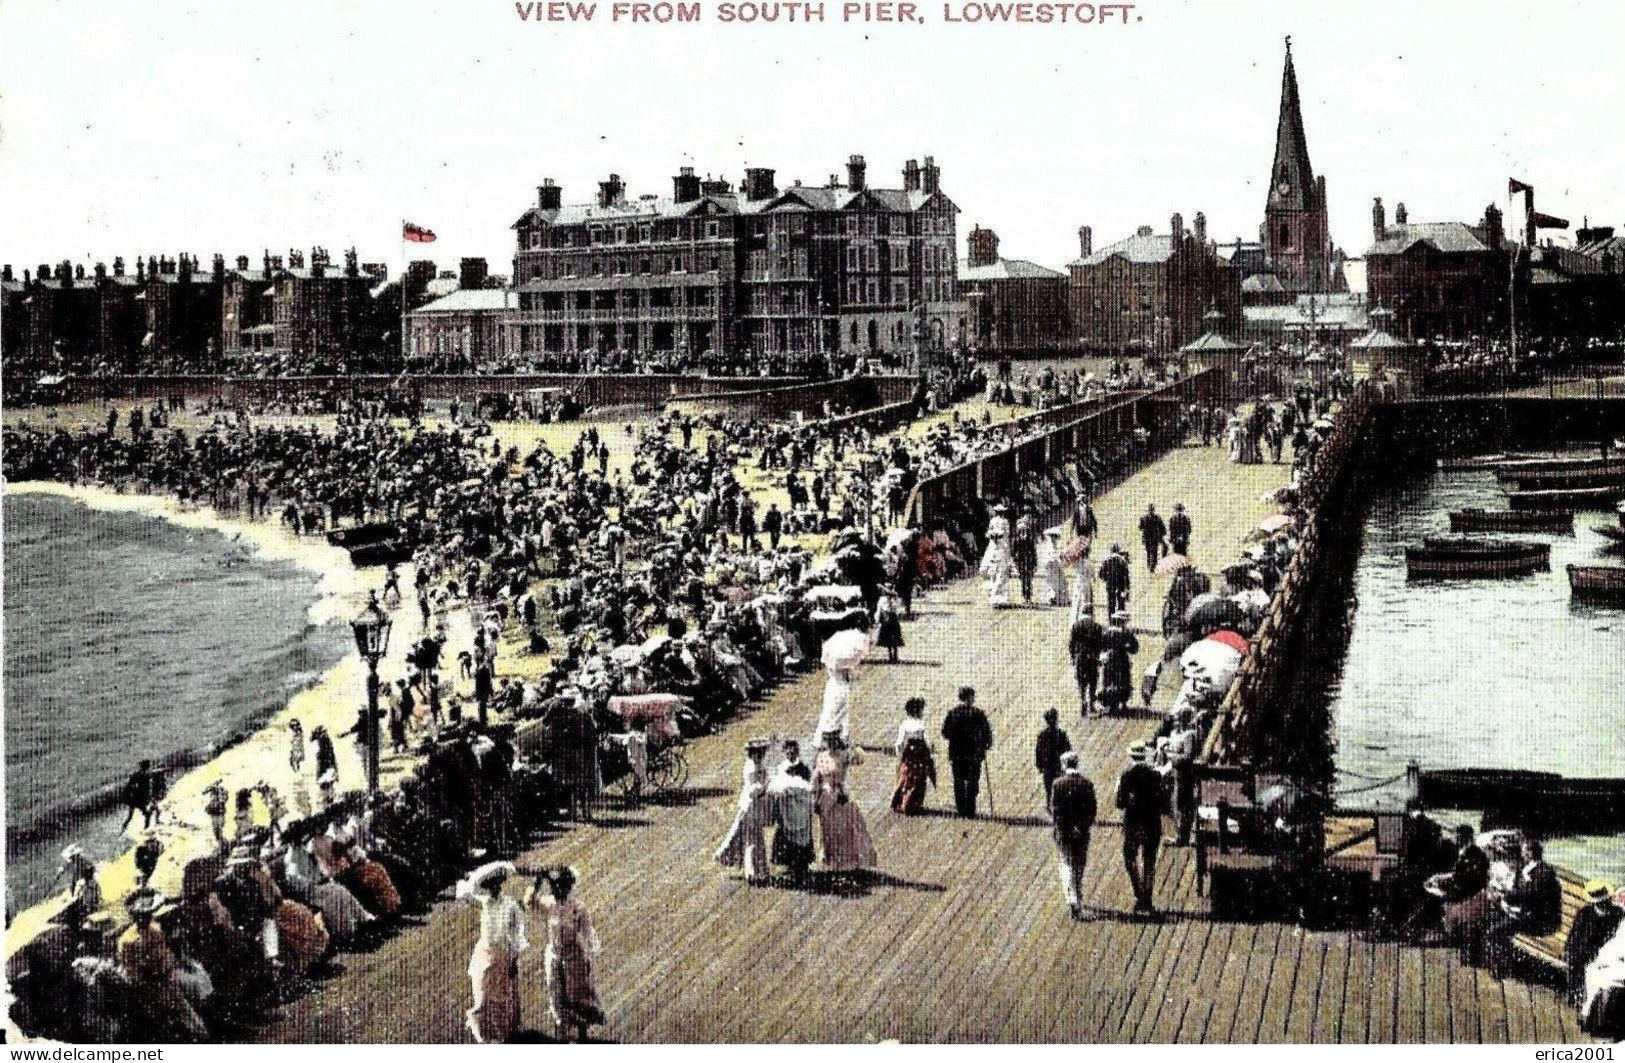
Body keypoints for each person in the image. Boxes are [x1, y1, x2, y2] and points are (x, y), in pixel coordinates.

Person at [525, 866, 605, 1042]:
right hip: (554, 956)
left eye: (562, 886)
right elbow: (529, 901)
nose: (558, 890)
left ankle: (582, 1033)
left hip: (574, 955)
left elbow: (588, 931)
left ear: (568, 887)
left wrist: (593, 950)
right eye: (556, 886)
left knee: (577, 995)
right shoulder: (548, 904)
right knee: (556, 993)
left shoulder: (578, 908)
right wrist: (538, 881)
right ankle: (562, 1032)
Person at [117, 889, 208, 1039]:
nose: (145, 918)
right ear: (135, 916)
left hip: (169, 977)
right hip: (149, 987)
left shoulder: (155, 928)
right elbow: (132, 973)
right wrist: (151, 974)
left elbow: (167, 952)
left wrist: (170, 966)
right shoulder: (127, 941)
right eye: (141, 916)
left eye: (147, 914)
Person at [457, 861, 528, 1044]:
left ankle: (504, 1033)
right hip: (483, 955)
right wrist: (468, 877)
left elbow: (517, 935)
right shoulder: (485, 903)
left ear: (501, 884)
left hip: (502, 957)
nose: (494, 888)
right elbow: (463, 895)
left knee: (501, 998)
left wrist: (513, 960)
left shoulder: (511, 906)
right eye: (490, 885)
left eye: (496, 884)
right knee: (482, 996)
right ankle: (486, 1036)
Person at [1477, 838, 1562, 974]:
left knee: (1495, 932)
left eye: (1523, 851)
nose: (1521, 854)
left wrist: (1504, 896)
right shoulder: (1533, 869)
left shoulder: (1543, 873)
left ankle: (1502, 967)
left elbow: (1529, 895)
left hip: (1540, 920)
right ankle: (1498, 961)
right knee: (1488, 919)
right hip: (1526, 913)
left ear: (1529, 853)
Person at [812, 731, 877, 873]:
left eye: (833, 740)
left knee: (844, 828)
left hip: (840, 795)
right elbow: (816, 778)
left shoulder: (843, 755)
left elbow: (859, 760)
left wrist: (853, 747)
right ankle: (831, 861)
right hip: (825, 798)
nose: (831, 744)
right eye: (828, 741)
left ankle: (847, 861)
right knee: (828, 830)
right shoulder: (821, 756)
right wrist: (815, 799)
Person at [1115, 743, 1165, 917]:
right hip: (1152, 824)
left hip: (1133, 824)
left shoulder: (1126, 775)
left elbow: (1119, 802)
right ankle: (1148, 898)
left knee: (1130, 859)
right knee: (1150, 862)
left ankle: (1139, 894)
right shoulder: (1155, 775)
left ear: (1131, 756)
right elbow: (1163, 801)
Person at [715, 740, 775, 884]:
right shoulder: (750, 768)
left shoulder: (759, 765)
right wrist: (766, 785)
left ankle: (757, 870)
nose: (760, 755)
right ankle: (754, 873)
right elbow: (753, 790)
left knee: (752, 837)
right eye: (757, 752)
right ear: (752, 753)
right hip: (750, 806)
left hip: (756, 806)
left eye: (761, 752)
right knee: (753, 839)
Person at [1050, 752, 1097, 921]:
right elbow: (1092, 811)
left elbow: (1056, 812)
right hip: (1081, 832)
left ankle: (1072, 898)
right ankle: (1077, 891)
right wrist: (1080, 826)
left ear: (1064, 765)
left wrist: (1066, 828)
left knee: (1066, 863)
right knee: (1079, 864)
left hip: (1064, 833)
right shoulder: (1087, 784)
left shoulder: (1057, 785)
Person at [1565, 880, 1623, 1002]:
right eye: (1601, 901)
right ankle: (1576, 994)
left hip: (1604, 951)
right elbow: (1575, 936)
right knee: (1576, 960)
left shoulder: (1618, 913)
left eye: (1605, 900)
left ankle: (1585, 997)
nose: (1604, 903)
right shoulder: (1585, 913)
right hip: (1583, 949)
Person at [941, 686, 993, 818]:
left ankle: (960, 808)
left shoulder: (953, 713)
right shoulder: (978, 713)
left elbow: (945, 733)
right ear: (970, 697)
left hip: (957, 753)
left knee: (958, 780)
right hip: (974, 754)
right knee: (973, 780)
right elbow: (987, 734)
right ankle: (970, 808)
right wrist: (985, 745)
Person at [770, 741, 816, 880]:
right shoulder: (781, 767)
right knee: (785, 832)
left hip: (800, 806)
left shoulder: (803, 768)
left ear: (797, 752)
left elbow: (808, 787)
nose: (790, 753)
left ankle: (802, 865)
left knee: (802, 834)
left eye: (793, 751)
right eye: (788, 751)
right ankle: (789, 863)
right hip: (786, 806)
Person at [890, 697, 936, 814]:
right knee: (919, 780)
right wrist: (931, 750)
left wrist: (898, 753)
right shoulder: (921, 725)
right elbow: (927, 741)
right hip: (919, 756)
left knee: (905, 778)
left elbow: (900, 742)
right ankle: (913, 804)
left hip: (908, 756)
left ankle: (900, 801)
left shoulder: (904, 724)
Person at [1098, 611, 1140, 716]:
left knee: (1108, 681)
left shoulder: (1106, 632)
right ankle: (1123, 703)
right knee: (1123, 681)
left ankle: (1109, 704)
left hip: (1109, 660)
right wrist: (1126, 647)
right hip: (1122, 660)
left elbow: (1101, 647)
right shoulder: (1126, 633)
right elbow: (1134, 649)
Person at [1068, 607, 1104, 718]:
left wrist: (1073, 657)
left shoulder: (1076, 626)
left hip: (1080, 657)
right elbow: (1100, 644)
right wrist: (1098, 656)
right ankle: (1091, 704)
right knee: (1092, 681)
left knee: (1081, 682)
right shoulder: (1097, 627)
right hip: (1092, 658)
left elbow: (1071, 644)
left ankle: (1083, 701)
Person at [1033, 708, 1072, 809]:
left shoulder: (1043, 735)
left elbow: (1038, 752)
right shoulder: (1061, 735)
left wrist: (1039, 765)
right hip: (1058, 765)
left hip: (1049, 766)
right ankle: (1056, 803)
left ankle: (1050, 802)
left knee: (1049, 786)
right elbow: (1068, 750)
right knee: (1058, 785)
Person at [817, 665, 856, 747]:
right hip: (837, 683)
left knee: (837, 709)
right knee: (835, 709)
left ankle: (833, 736)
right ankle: (831, 737)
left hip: (836, 682)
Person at [120, 760, 160, 831]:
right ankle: (146, 828)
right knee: (148, 814)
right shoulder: (147, 775)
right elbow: (155, 773)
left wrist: (126, 796)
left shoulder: (137, 774)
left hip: (135, 797)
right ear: (147, 766)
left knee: (130, 816)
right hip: (141, 798)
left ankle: (123, 828)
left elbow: (129, 785)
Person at [1011, 510, 1039, 603]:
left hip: (1029, 560)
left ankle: (1028, 597)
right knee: (1023, 579)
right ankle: (1025, 595)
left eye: (1024, 529)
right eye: (1021, 529)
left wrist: (1035, 562)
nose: (1023, 531)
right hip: (1020, 561)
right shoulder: (1016, 540)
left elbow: (1033, 551)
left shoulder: (1030, 539)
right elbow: (1013, 551)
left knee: (1029, 579)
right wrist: (1014, 561)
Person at [1037, 529, 1069, 607]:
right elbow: (1048, 559)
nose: (1054, 538)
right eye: (1053, 536)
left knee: (1060, 583)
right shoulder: (1048, 546)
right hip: (1051, 568)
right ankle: (1052, 598)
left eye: (1055, 536)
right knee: (1052, 584)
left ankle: (1060, 599)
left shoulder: (1057, 545)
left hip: (1056, 568)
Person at [1099, 543, 1131, 617]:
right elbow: (1126, 575)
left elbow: (1101, 573)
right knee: (1121, 602)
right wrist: (1127, 588)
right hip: (1121, 585)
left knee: (1111, 601)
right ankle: (1121, 618)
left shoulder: (1107, 560)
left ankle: (1111, 617)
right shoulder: (1122, 561)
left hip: (1110, 584)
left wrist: (1106, 579)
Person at [874, 591, 904, 664]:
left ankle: (895, 656)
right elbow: (879, 610)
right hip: (886, 622)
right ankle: (891, 656)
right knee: (888, 639)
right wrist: (877, 620)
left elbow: (899, 609)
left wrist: (899, 615)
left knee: (895, 638)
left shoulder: (895, 600)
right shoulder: (882, 600)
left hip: (893, 621)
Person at [1138, 504, 1167, 571]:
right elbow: (1162, 527)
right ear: (1153, 510)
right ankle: (1153, 566)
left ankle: (1149, 564)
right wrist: (1162, 535)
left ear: (1148, 510)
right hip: (1155, 537)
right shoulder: (1157, 517)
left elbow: (1140, 527)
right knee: (1154, 552)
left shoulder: (1144, 518)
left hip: (1147, 538)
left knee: (1148, 552)